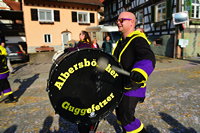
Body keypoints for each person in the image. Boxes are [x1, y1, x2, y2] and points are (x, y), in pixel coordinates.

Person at [113, 12, 156, 132]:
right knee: (121, 115)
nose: (118, 22)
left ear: (131, 22)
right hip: (121, 86)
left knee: (127, 118)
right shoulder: (121, 42)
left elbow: (147, 57)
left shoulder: (138, 40)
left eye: (121, 20)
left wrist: (140, 71)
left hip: (133, 86)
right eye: (117, 20)